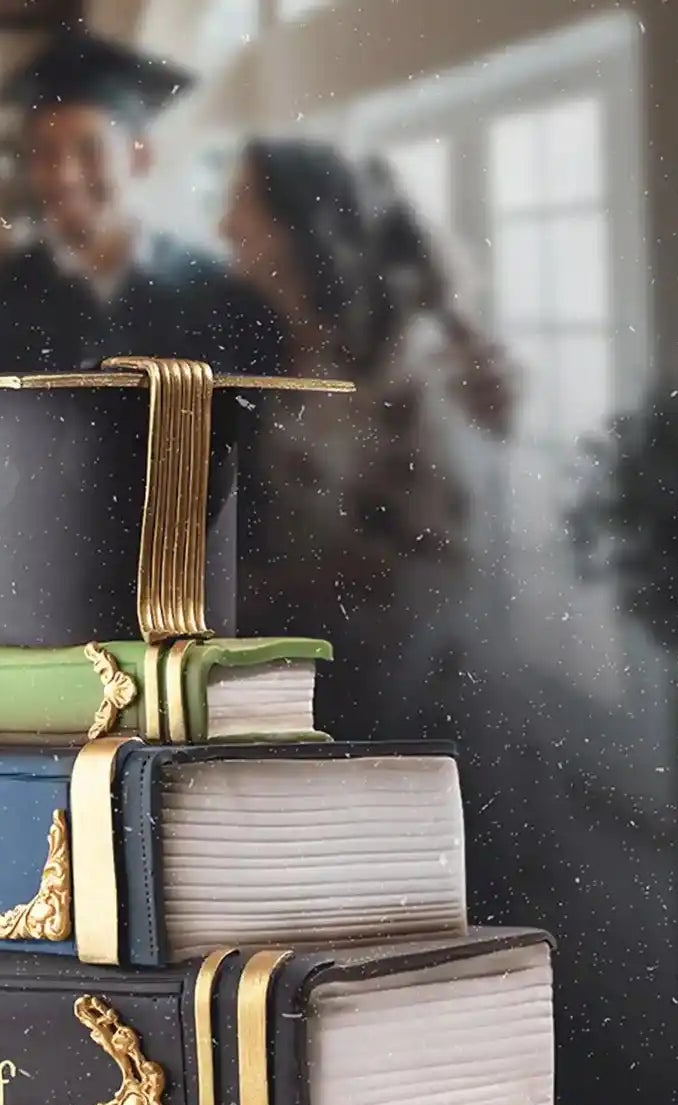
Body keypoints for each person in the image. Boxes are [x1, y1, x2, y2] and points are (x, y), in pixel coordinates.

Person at [219, 138, 515, 740]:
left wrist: (262, 592)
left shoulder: (404, 359)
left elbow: (433, 565)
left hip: (407, 695)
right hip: (317, 678)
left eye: (243, 203)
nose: (224, 225)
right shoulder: (281, 346)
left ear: (295, 223)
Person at [0, 33, 278, 375]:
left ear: (139, 156)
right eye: (46, 153)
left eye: (90, 150)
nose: (65, 176)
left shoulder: (216, 295)